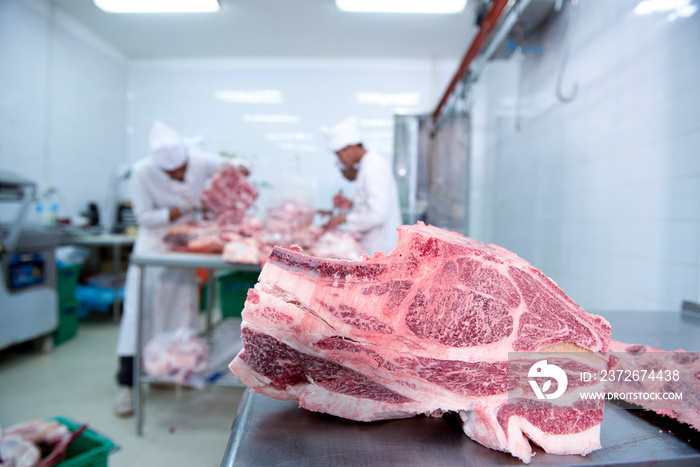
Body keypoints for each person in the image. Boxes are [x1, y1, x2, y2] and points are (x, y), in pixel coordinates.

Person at [114, 120, 246, 417]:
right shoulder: (141, 172)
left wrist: (240, 169)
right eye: (171, 172)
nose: (179, 174)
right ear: (158, 166)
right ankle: (127, 384)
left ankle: (173, 371)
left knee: (180, 316)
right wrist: (180, 210)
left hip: (188, 245)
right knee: (140, 317)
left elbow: (231, 165)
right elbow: (145, 218)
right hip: (155, 249)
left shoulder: (199, 161)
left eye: (182, 169)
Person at [321, 116, 402, 256]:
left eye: (340, 156)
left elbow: (377, 215)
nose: (341, 161)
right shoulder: (368, 166)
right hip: (372, 246)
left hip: (379, 248)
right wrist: (351, 204)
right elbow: (373, 205)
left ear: (350, 148)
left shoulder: (374, 167)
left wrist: (343, 218)